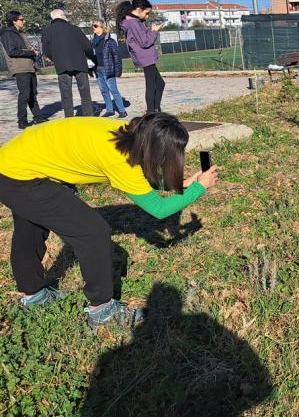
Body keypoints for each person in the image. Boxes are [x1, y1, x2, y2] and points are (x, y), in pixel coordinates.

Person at [0, 113, 219, 328]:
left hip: (16, 159)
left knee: (31, 228)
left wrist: (180, 184)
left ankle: (33, 295)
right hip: (20, 175)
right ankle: (102, 311)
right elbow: (159, 209)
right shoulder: (118, 158)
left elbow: (139, 175)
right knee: (92, 232)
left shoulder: (129, 133)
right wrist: (199, 189)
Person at [40, 9, 95, 117]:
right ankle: (88, 117)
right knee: (85, 94)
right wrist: (91, 57)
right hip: (79, 64)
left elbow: (46, 51)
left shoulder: (47, 31)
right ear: (61, 16)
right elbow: (87, 46)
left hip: (62, 65)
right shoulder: (74, 29)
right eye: (65, 15)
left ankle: (69, 118)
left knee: (66, 95)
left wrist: (55, 58)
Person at [117, 0, 165, 113]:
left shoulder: (133, 22)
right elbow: (145, 42)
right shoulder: (133, 23)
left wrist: (149, 30)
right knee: (152, 85)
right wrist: (154, 31)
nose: (147, 16)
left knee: (160, 84)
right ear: (139, 9)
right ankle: (151, 112)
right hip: (145, 57)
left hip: (145, 57)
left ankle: (155, 110)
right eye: (146, 13)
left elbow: (141, 38)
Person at [0, 11, 46, 129]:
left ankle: (38, 117)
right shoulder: (7, 34)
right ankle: (22, 120)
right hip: (20, 67)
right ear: (14, 21)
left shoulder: (19, 33)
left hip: (29, 66)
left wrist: (31, 50)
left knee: (32, 93)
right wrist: (30, 52)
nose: (24, 21)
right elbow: (12, 51)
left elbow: (22, 48)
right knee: (25, 94)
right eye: (21, 19)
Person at [91, 20, 128, 118]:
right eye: (92, 25)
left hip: (108, 69)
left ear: (102, 27)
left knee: (113, 90)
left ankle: (122, 111)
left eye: (95, 25)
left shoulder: (109, 41)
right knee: (104, 91)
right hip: (98, 69)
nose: (93, 27)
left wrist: (118, 71)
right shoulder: (94, 41)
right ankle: (109, 110)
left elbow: (116, 56)